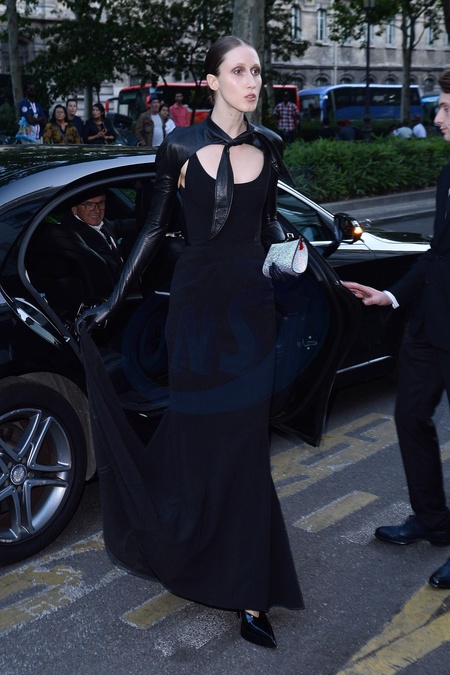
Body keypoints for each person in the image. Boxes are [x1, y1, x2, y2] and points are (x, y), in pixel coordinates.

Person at [77, 35, 304, 648]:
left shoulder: (270, 145)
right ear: (211, 81)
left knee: (246, 448)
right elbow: (153, 230)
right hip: (197, 311)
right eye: (239, 71)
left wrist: (303, 257)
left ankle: (251, 591)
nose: (252, 82)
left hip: (251, 313)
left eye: (257, 71)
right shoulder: (178, 144)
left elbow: (268, 221)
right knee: (203, 439)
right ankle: (192, 546)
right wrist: (113, 301)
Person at [342, 68, 450, 591]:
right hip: (430, 326)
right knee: (410, 417)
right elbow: (437, 255)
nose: (438, 117)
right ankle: (433, 521)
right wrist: (391, 295)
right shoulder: (448, 174)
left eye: (446, 108)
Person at [27, 191, 135, 319]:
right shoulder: (74, 239)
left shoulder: (101, 224)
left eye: (100, 203)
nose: (97, 210)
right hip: (114, 303)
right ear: (74, 209)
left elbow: (117, 225)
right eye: (89, 205)